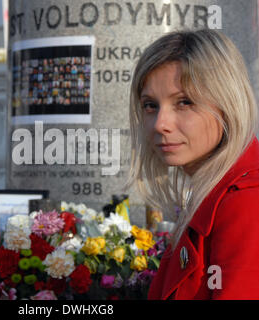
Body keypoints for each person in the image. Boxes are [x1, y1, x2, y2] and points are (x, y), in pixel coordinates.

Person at [127, 28, 259, 299]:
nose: (161, 124)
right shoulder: (213, 194)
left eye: (184, 102)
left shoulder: (246, 198)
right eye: (150, 105)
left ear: (228, 103)